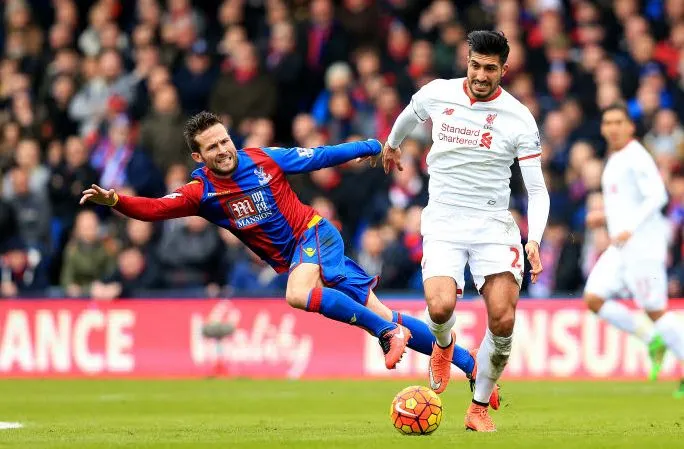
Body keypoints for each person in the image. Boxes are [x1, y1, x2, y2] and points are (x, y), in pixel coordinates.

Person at [80, 111, 499, 402]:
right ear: (198, 157)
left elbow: (320, 156)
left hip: (316, 234)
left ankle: (387, 336)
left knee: (298, 295)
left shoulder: (263, 160)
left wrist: (373, 144)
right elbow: (154, 208)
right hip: (298, 254)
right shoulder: (201, 194)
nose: (224, 150)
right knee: (381, 312)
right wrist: (116, 199)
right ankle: (468, 363)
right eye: (212, 147)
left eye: (225, 140)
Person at [381, 30, 550, 431]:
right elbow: (410, 112)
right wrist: (391, 143)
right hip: (443, 219)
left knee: (503, 320)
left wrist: (535, 239)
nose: (480, 75)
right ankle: (444, 345)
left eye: (490, 68)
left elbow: (538, 189)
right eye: (475, 65)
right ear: (467, 61)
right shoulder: (439, 92)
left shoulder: (519, 117)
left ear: (503, 70)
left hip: (493, 224)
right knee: (439, 308)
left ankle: (477, 408)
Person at [584, 103, 684, 399]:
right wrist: (606, 217)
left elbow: (658, 195)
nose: (612, 127)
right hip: (621, 246)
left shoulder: (637, 156)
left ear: (630, 126)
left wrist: (629, 225)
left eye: (618, 122)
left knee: (656, 310)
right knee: (593, 297)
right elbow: (629, 201)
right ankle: (652, 339)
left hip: (642, 246)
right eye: (607, 122)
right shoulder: (616, 158)